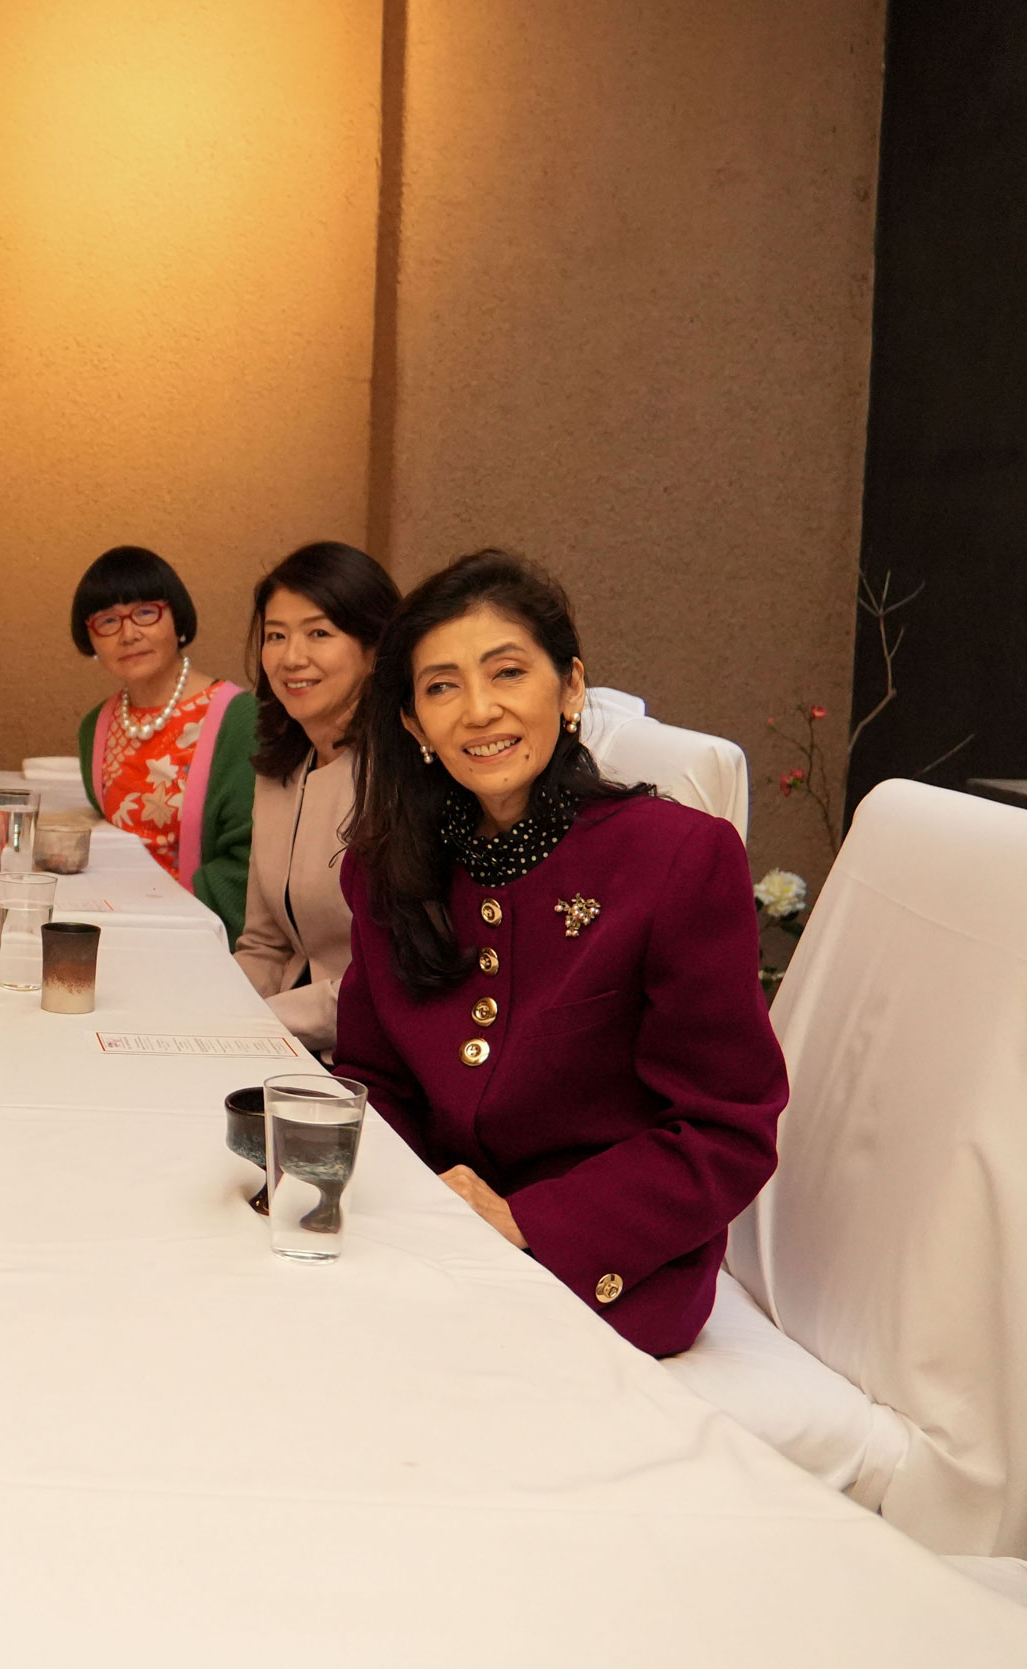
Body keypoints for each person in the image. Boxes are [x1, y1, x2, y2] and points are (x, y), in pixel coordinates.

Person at [332, 550, 787, 1357]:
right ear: (412, 723)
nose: (478, 710)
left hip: (608, 1264)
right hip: (433, 1236)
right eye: (441, 686)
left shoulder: (678, 858)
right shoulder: (389, 866)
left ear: (570, 687)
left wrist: (526, 1220)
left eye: (507, 672)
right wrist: (370, 1184)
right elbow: (379, 1081)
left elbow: (726, 1129)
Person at [231, 541, 399, 1054]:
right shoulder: (283, 769)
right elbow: (264, 944)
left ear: (374, 650)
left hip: (369, 1058)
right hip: (287, 1044)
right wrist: (215, 1015)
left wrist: (252, 1025)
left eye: (319, 633)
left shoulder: (400, 776)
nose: (291, 658)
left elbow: (387, 983)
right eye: (276, 636)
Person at [71, 544, 259, 938]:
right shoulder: (95, 728)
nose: (128, 634)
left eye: (145, 612)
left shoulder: (237, 719)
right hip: (115, 924)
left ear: (177, 618)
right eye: (107, 620)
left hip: (200, 934)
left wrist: (165, 915)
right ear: (91, 640)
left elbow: (251, 861)